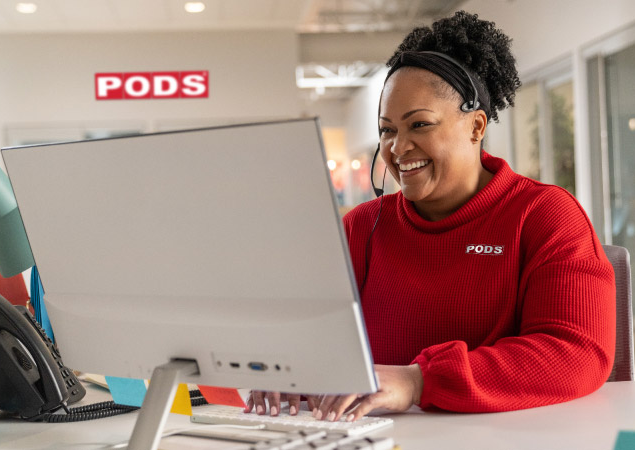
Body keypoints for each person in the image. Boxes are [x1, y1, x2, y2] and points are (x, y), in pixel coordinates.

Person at [246, 10, 615, 422]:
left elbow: (577, 351)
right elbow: (311, 333)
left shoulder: (544, 215)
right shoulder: (361, 227)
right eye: (387, 130)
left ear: (476, 127)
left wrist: (418, 381)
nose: (397, 148)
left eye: (418, 124)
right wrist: (287, 365)